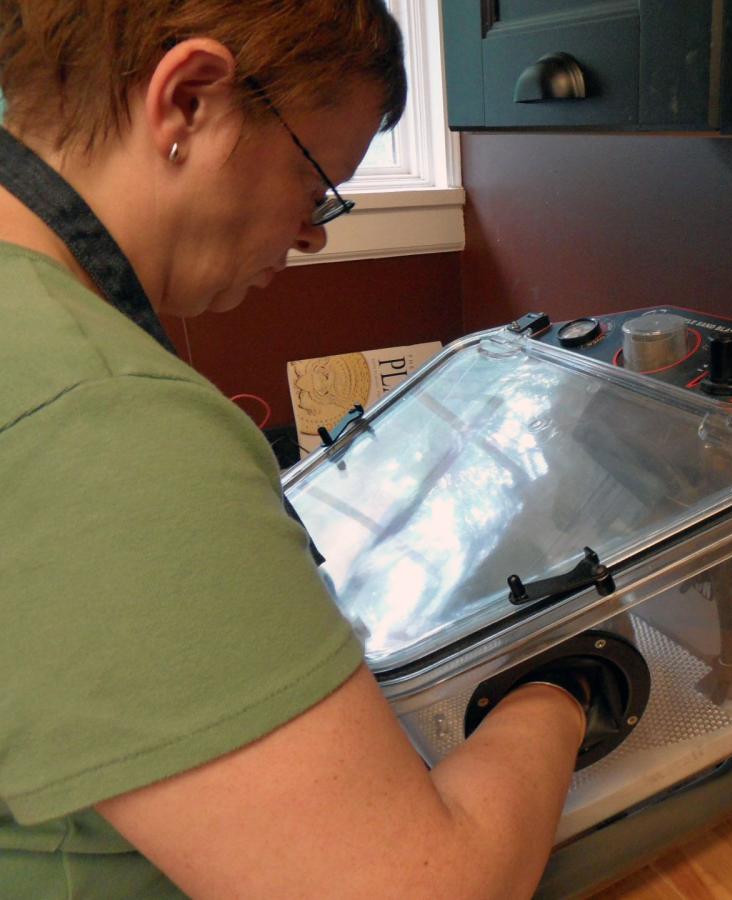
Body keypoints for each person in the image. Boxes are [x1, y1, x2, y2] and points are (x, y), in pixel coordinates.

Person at [0, 2, 589, 897]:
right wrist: (564, 689)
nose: (313, 234)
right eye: (314, 184)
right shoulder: (105, 416)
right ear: (189, 101)